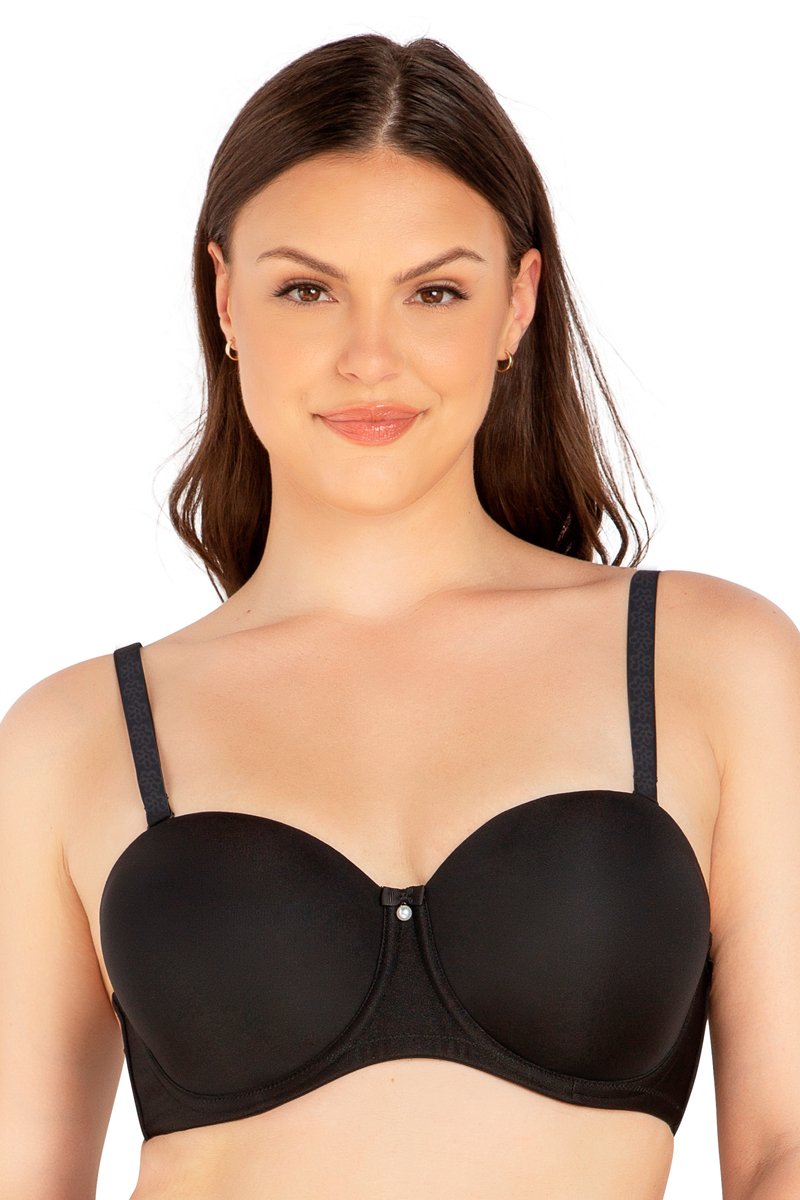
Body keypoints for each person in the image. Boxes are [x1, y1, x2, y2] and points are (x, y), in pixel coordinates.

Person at [1, 31, 799, 1200]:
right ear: (224, 298)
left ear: (516, 303)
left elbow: (783, 1149)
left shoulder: (711, 664)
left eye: (434, 292)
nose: (368, 359)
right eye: (306, 289)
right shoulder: (75, 736)